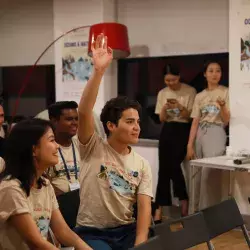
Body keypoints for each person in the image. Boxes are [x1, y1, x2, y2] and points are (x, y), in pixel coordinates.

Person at [74, 34, 153, 250]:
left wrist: (140, 244)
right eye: (129, 121)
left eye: (138, 121)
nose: (137, 127)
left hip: (126, 231)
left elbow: (145, 210)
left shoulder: (142, 164)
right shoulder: (92, 146)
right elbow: (83, 111)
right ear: (111, 125)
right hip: (92, 232)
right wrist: (98, 71)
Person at [0, 119, 91, 250]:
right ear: (33, 150)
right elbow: (35, 242)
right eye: (51, 140)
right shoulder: (11, 188)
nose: (57, 146)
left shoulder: (45, 184)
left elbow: (63, 231)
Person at [153, 64, 196, 221]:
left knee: (173, 167)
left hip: (183, 130)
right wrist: (165, 108)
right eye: (167, 80)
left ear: (179, 76)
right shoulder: (162, 93)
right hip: (167, 130)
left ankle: (182, 201)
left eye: (173, 79)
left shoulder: (189, 91)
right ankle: (160, 208)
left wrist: (179, 106)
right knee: (163, 170)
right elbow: (161, 118)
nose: (170, 83)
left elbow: (190, 116)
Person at [186, 61, 230, 210]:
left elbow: (226, 119)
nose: (214, 74)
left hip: (216, 131)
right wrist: (189, 145)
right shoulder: (200, 96)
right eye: (211, 71)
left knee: (209, 175)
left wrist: (223, 106)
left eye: (218, 71)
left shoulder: (226, 91)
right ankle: (195, 213)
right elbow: (195, 122)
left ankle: (209, 214)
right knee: (196, 174)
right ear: (205, 74)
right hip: (200, 132)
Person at [47, 101, 80, 196]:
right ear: (54, 121)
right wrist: (68, 199)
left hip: (84, 202)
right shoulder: (46, 147)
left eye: (76, 119)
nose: (75, 123)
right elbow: (43, 182)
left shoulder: (81, 145)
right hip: (58, 202)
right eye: (69, 119)